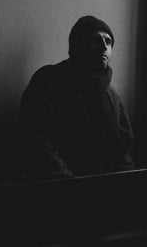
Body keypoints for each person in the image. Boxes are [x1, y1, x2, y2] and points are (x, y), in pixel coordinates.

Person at [19, 15, 135, 178]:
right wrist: (71, 185)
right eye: (96, 39)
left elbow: (124, 151)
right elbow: (38, 141)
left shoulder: (112, 96)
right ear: (76, 47)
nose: (104, 46)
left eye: (108, 42)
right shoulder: (48, 81)